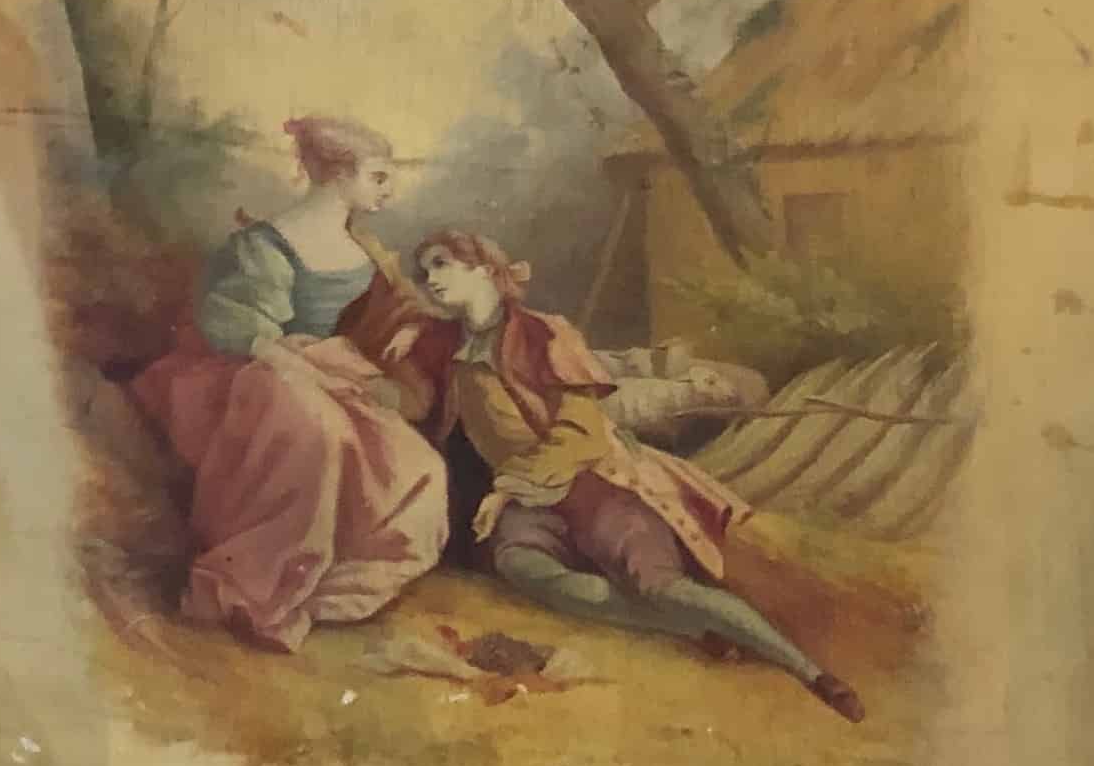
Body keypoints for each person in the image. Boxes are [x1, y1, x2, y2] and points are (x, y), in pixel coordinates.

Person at [412, 228, 864, 719]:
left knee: (660, 586)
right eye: (424, 270)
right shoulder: (451, 348)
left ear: (483, 269)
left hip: (598, 482)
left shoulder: (544, 333)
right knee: (523, 567)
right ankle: (687, 627)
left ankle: (809, 671)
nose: (430, 279)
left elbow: (580, 432)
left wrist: (503, 490)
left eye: (441, 264)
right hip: (534, 502)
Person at [129, 117, 448, 652]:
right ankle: (256, 587)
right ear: (338, 177)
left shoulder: (365, 248)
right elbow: (236, 326)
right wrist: (304, 369)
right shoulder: (265, 245)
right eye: (378, 177)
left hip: (330, 368)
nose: (388, 190)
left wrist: (408, 325)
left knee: (419, 468)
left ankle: (331, 590)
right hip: (257, 371)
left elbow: (395, 304)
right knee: (319, 436)